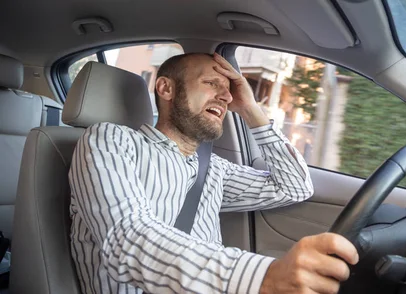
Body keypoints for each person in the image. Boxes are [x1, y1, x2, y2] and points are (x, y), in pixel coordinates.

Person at [68, 53, 359, 294]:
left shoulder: (214, 169)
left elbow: (294, 186)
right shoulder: (110, 140)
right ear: (166, 89)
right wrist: (264, 277)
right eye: (211, 83)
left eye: (229, 91)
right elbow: (127, 239)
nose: (225, 97)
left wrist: (250, 108)